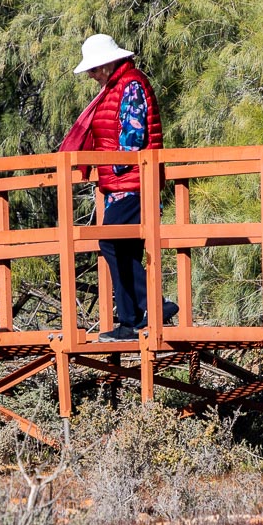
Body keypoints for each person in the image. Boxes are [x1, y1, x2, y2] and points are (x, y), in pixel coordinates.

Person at [57, 33, 175, 341]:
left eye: (95, 69)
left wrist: (110, 163)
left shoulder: (130, 84)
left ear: (110, 63)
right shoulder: (115, 87)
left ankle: (153, 306)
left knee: (110, 241)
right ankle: (131, 321)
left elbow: (132, 139)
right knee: (124, 247)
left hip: (134, 180)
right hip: (121, 182)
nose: (93, 76)